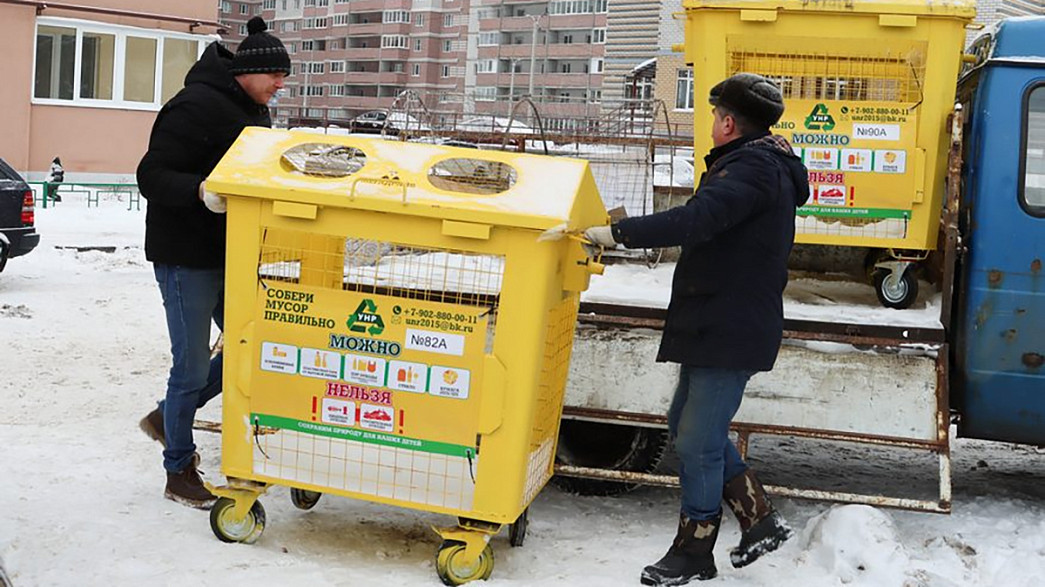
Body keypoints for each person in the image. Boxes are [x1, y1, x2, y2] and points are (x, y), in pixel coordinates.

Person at [583, 73, 809, 585]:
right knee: (686, 424)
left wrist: (617, 232)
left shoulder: (752, 169)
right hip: (719, 319)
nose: (710, 123)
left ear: (729, 123)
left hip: (730, 325)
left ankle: (694, 548)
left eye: (713, 116)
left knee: (699, 441)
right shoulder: (755, 165)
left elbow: (695, 220)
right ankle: (759, 519)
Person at [136, 16, 288, 509]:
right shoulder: (193, 106)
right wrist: (200, 190)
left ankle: (166, 417)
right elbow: (150, 174)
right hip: (184, 258)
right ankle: (178, 468)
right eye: (276, 76)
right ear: (250, 71)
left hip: (231, 254)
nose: (281, 85)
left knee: (255, 343)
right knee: (192, 364)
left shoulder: (255, 113)